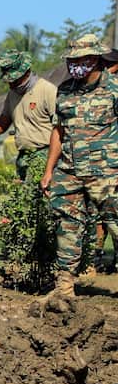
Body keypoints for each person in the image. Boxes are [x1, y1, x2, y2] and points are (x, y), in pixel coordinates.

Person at [39, 33, 118, 300]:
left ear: (94, 59)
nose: (74, 65)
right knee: (67, 227)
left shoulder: (114, 88)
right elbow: (58, 132)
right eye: (71, 60)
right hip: (69, 171)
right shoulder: (65, 90)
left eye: (79, 60)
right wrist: (49, 171)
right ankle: (65, 287)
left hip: (107, 175)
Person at [0, 50, 57, 181]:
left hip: (44, 154)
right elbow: (1, 125)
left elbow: (60, 129)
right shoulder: (12, 95)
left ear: (27, 72)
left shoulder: (47, 90)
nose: (11, 83)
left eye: (15, 79)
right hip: (23, 156)